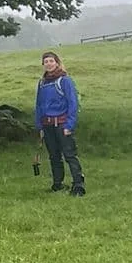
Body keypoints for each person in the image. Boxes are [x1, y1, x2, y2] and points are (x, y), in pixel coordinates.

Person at [34, 50, 85, 195]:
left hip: (62, 123)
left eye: (51, 61)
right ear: (43, 65)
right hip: (47, 124)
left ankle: (78, 184)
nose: (49, 64)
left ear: (57, 63)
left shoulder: (64, 81)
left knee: (69, 154)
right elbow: (38, 104)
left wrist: (70, 124)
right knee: (54, 156)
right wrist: (39, 125)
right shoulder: (42, 83)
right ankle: (58, 184)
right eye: (46, 62)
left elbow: (73, 103)